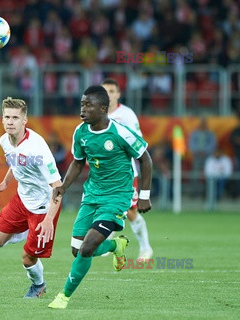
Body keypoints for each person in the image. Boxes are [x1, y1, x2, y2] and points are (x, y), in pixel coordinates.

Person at [48, 85, 153, 309]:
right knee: (77, 250)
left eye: (88, 105)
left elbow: (146, 159)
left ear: (103, 108)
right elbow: (77, 161)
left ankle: (64, 296)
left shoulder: (120, 132)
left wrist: (144, 195)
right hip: (92, 195)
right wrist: (64, 186)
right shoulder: (80, 132)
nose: (82, 110)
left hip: (117, 197)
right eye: (81, 104)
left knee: (87, 248)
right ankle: (116, 245)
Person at [0, 97, 62, 298]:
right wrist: (5, 183)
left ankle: (38, 285)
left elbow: (58, 188)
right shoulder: (4, 140)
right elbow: (15, 163)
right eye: (7, 117)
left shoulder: (38, 149)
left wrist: (48, 220)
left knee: (27, 259)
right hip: (22, 200)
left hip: (42, 208)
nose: (10, 122)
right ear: (2, 119)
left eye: (15, 117)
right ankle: (26, 232)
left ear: (24, 120)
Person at [101, 78, 154, 260]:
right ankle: (108, 242)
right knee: (103, 207)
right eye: (104, 90)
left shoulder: (127, 114)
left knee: (131, 211)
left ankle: (146, 248)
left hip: (125, 173)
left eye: (111, 91)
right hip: (102, 174)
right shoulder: (95, 114)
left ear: (118, 94)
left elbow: (138, 145)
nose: (108, 94)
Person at [188, 117, 217, 197]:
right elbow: (191, 144)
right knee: (195, 174)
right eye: (202, 123)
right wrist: (197, 151)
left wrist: (205, 151)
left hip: (207, 157)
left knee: (209, 173)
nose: (203, 125)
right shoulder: (194, 134)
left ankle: (207, 192)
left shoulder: (210, 134)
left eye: (204, 123)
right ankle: (194, 192)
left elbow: (213, 144)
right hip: (196, 156)